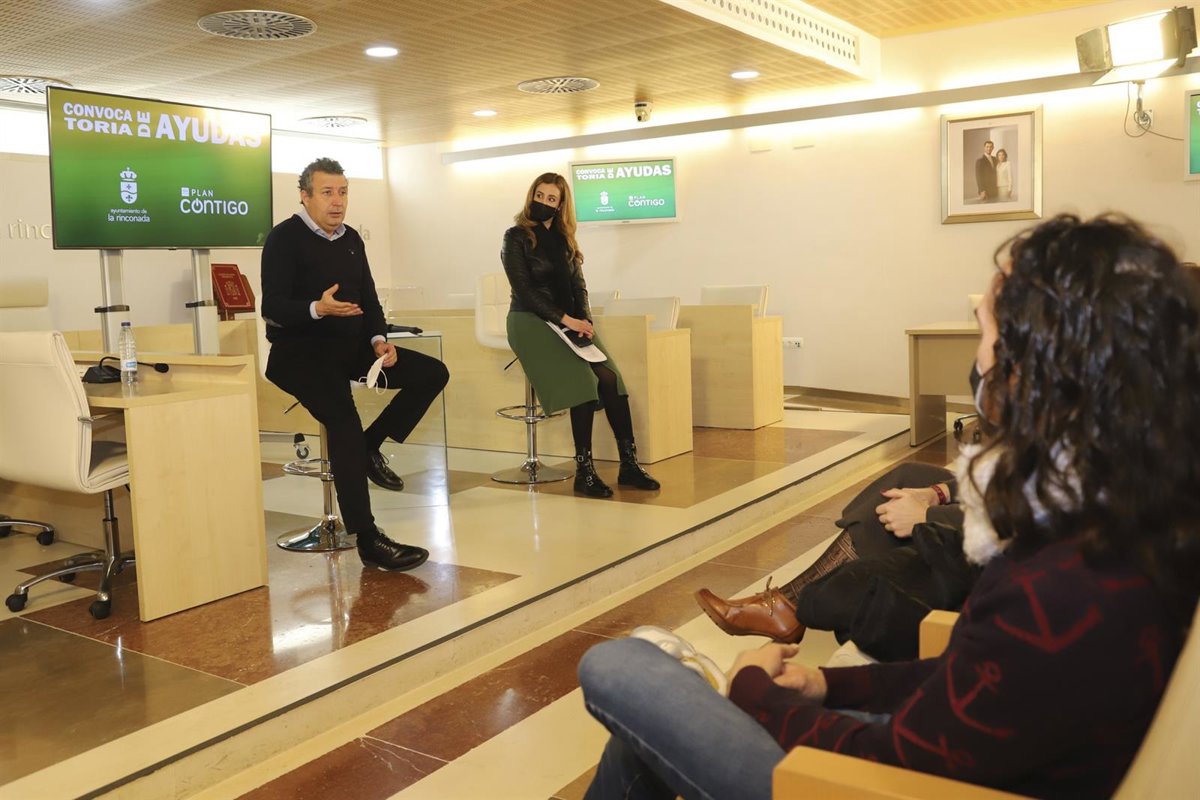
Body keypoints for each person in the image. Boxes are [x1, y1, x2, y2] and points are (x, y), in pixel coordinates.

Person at [578, 213, 1200, 799]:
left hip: (870, 785)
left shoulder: (1059, 586)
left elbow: (896, 759)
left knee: (618, 665)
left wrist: (753, 693)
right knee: (641, 735)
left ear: (1038, 370)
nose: (979, 357)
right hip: (949, 759)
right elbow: (968, 678)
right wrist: (824, 683)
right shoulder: (1123, 521)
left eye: (986, 332)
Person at [261, 157, 449, 572]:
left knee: (432, 373)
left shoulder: (351, 240)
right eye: (327, 192)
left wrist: (379, 341)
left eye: (343, 192)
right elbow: (272, 307)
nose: (337, 201)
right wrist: (318, 308)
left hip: (350, 347)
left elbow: (370, 300)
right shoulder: (284, 238)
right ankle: (368, 539)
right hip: (300, 354)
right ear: (305, 196)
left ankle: (370, 447)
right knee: (344, 425)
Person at [695, 462, 978, 660]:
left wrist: (925, 516)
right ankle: (791, 604)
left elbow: (1006, 517)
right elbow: (997, 474)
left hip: (997, 539)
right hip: (992, 506)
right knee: (910, 477)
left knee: (893, 524)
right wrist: (936, 493)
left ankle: (790, 605)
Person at [500, 172, 660, 498]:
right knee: (584, 384)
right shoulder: (515, 236)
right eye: (539, 196)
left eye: (551, 199)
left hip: (570, 319)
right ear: (531, 196)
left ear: (561, 205)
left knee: (611, 380)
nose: (543, 202)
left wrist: (584, 319)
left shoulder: (565, 240)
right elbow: (525, 290)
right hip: (529, 320)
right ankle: (584, 473)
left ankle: (629, 465)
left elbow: (579, 286)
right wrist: (566, 320)